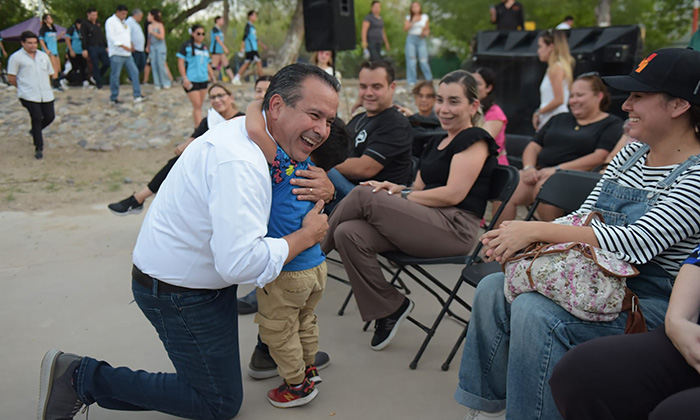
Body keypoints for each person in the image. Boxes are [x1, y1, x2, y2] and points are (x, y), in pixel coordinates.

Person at [36, 63, 339, 420]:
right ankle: (79, 377)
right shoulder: (240, 162)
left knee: (229, 368)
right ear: (275, 107)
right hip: (179, 293)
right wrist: (307, 236)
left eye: (329, 121)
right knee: (218, 403)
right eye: (314, 115)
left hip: (200, 283)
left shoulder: (258, 134)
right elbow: (239, 263)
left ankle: (273, 353)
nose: (322, 131)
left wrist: (328, 188)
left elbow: (287, 176)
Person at [455, 48, 700, 420]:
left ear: (679, 105)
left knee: (536, 312)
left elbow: (638, 243)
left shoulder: (694, 175)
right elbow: (585, 216)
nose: (625, 105)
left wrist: (535, 229)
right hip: (595, 275)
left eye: (638, 96)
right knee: (493, 289)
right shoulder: (632, 153)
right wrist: (519, 237)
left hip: (650, 298)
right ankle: (486, 408)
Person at [322, 70, 498, 351]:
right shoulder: (435, 142)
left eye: (454, 101)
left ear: (473, 106)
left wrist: (401, 194)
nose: (443, 108)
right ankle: (390, 306)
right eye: (440, 100)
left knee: (363, 193)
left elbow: (454, 193)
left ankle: (309, 259)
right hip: (428, 222)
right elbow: (415, 189)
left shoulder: (475, 138)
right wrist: (395, 188)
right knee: (348, 232)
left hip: (455, 228)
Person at [243, 104, 351, 407]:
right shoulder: (316, 178)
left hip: (287, 271)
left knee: (278, 330)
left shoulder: (284, 167)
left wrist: (257, 104)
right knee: (305, 321)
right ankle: (308, 368)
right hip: (316, 267)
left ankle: (296, 384)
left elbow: (253, 128)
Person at [550, 248, 700, 420]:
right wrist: (677, 322)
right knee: (580, 372)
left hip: (649, 291)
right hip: (689, 323)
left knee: (545, 317)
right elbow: (697, 258)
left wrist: (536, 231)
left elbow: (635, 241)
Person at [501, 73, 624, 223]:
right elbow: (533, 146)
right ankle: (496, 240)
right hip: (541, 172)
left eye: (580, 95)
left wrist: (557, 169)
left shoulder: (611, 124)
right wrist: (528, 167)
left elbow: (599, 157)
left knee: (548, 187)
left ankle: (553, 241)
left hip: (575, 178)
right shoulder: (558, 118)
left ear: (598, 96)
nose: (573, 100)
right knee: (510, 184)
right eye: (571, 96)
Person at [108, 83, 244, 215]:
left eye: (221, 96)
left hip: (230, 164)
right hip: (207, 164)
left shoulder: (242, 120)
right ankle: (144, 201)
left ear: (231, 97)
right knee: (178, 162)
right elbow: (189, 143)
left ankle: (139, 199)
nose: (217, 100)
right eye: (213, 97)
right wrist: (185, 146)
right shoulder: (209, 121)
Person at [328, 60, 413, 206]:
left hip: (374, 201)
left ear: (392, 87)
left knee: (316, 169)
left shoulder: (395, 123)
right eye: (363, 87)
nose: (368, 93)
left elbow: (364, 168)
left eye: (376, 87)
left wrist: (321, 163)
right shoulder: (359, 118)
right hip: (350, 190)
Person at [7, 31, 56, 160]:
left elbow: (50, 73)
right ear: (23, 43)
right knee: (36, 117)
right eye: (29, 43)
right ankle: (39, 147)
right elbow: (11, 77)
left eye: (35, 43)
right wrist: (22, 87)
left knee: (50, 116)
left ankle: (35, 131)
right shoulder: (16, 57)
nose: (33, 46)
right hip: (28, 94)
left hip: (45, 93)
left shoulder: (43, 56)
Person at [533, 30, 574, 130]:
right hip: (551, 118)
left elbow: (559, 99)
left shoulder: (556, 68)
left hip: (554, 119)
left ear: (551, 46)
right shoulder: (555, 67)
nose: (538, 51)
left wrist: (538, 112)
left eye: (540, 46)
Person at [177, 24, 215, 126]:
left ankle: (198, 127)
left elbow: (207, 63)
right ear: (193, 34)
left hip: (203, 79)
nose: (201, 36)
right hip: (191, 79)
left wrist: (213, 77)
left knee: (200, 105)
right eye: (198, 33)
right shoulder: (187, 46)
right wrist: (184, 78)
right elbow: (180, 62)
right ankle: (198, 131)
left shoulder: (204, 48)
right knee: (197, 105)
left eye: (203, 34)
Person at [105, 4, 143, 105]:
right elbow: (111, 37)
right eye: (122, 14)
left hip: (127, 53)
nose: (124, 16)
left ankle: (137, 94)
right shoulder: (110, 22)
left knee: (134, 72)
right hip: (117, 53)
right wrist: (122, 46)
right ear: (117, 12)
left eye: (125, 14)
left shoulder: (124, 23)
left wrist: (130, 43)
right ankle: (114, 96)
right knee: (115, 75)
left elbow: (126, 35)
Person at [474, 67, 508, 165]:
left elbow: (483, 141)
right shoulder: (469, 109)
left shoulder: (495, 112)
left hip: (494, 167)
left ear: (488, 88)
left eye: (478, 84)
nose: (473, 87)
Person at [232, 10, 267, 85]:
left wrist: (262, 45)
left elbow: (255, 39)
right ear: (250, 16)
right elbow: (244, 38)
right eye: (254, 15)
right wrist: (242, 48)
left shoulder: (252, 27)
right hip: (251, 49)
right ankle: (264, 80)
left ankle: (236, 78)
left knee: (247, 63)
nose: (255, 17)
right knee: (258, 62)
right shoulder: (247, 26)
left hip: (253, 48)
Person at [404, 1, 432, 88]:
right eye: (413, 7)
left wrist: (425, 33)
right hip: (411, 39)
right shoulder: (409, 17)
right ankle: (412, 82)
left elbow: (427, 29)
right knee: (412, 61)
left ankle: (429, 81)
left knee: (423, 60)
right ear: (411, 9)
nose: (415, 8)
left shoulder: (424, 17)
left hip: (421, 40)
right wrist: (413, 21)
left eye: (417, 6)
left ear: (420, 8)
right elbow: (405, 28)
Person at [81, 7, 109, 89]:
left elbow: (101, 35)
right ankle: (98, 83)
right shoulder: (85, 24)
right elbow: (84, 37)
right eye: (93, 15)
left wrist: (106, 45)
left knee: (107, 63)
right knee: (95, 64)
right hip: (92, 47)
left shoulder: (98, 23)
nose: (94, 17)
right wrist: (84, 49)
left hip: (101, 46)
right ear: (88, 15)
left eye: (95, 15)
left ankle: (97, 76)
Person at [38, 14, 64, 92]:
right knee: (54, 68)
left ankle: (54, 82)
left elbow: (54, 39)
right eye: (48, 18)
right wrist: (46, 49)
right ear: (45, 20)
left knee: (58, 68)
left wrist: (61, 35)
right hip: (49, 51)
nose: (51, 19)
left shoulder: (52, 29)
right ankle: (55, 84)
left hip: (55, 50)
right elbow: (41, 40)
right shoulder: (43, 30)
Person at [146, 9, 170, 90]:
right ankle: (157, 83)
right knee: (154, 64)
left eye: (149, 15)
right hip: (152, 47)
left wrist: (152, 32)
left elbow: (162, 36)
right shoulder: (149, 26)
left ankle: (165, 82)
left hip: (160, 46)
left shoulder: (160, 25)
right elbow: (149, 38)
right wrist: (148, 46)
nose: (148, 17)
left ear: (153, 16)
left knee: (161, 64)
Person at [210, 16, 236, 83]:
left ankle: (234, 80)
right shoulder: (215, 29)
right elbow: (218, 39)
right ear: (217, 20)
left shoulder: (219, 30)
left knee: (226, 65)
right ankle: (210, 79)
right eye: (221, 20)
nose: (223, 21)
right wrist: (225, 48)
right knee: (214, 67)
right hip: (216, 51)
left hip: (220, 51)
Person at [65, 19, 89, 88]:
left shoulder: (83, 30)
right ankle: (66, 78)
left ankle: (84, 80)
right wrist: (71, 50)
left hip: (81, 51)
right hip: (73, 51)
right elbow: (67, 39)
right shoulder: (72, 29)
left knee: (83, 66)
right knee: (75, 67)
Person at [126, 9, 147, 77]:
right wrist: (130, 43)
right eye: (140, 16)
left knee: (142, 63)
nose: (141, 18)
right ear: (136, 15)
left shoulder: (136, 23)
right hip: (135, 48)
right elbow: (126, 33)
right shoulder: (129, 22)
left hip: (140, 48)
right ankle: (132, 77)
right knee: (135, 64)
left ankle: (133, 77)